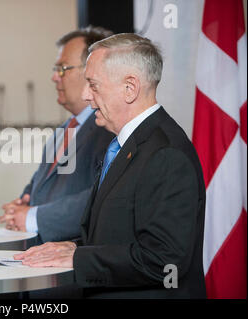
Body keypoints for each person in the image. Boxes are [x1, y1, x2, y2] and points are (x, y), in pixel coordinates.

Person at [14, 33, 207, 299]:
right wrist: (71, 247)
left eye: (93, 85)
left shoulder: (167, 154)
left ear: (130, 88)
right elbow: (116, 238)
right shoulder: (125, 144)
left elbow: (165, 261)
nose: (86, 95)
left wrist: (78, 258)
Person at [0, 26, 114, 243]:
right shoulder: (64, 129)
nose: (54, 77)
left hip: (78, 263)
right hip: (43, 259)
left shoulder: (109, 129)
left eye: (63, 68)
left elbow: (102, 198)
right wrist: (22, 206)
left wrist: (33, 217)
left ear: (92, 71)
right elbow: (39, 185)